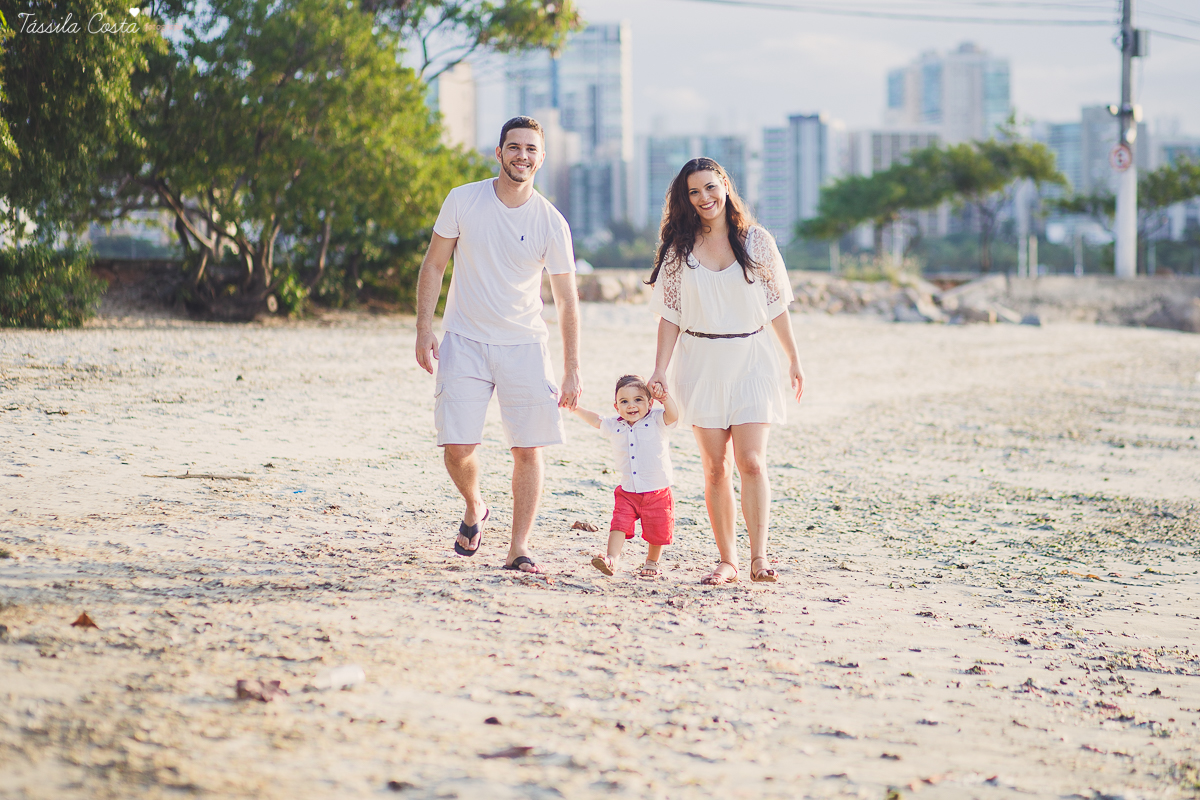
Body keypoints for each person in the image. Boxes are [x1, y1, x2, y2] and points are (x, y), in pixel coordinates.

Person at [414, 116, 582, 575]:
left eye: (531, 149)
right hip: (463, 340)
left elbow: (567, 301)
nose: (522, 156)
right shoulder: (463, 199)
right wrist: (424, 328)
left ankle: (519, 547)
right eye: (514, 147)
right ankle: (474, 505)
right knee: (457, 446)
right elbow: (433, 266)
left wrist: (572, 368)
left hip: (524, 345)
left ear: (541, 158)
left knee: (528, 448)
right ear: (499, 152)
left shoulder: (551, 221)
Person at [646, 157, 804, 586]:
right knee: (715, 467)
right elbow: (669, 316)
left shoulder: (756, 242)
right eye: (695, 192)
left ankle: (759, 557)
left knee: (751, 461)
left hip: (751, 359)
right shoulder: (680, 249)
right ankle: (728, 560)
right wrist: (659, 369)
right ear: (686, 198)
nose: (705, 198)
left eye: (711, 188)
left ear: (726, 186)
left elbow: (777, 306)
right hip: (700, 363)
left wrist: (793, 357)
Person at [572, 375, 679, 579]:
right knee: (618, 524)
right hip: (628, 491)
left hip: (657, 490)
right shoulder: (615, 424)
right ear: (616, 407)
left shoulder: (657, 419)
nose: (631, 405)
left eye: (638, 399)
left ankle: (652, 562)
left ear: (650, 403)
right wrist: (575, 408)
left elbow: (673, 416)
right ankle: (611, 559)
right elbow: (596, 420)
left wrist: (666, 398)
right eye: (624, 401)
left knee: (657, 529)